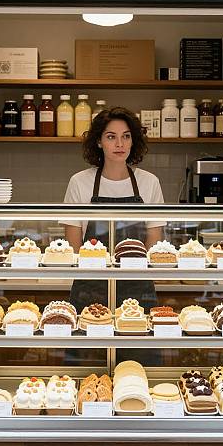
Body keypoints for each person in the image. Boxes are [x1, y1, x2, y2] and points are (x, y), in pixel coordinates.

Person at [61, 106, 166, 312]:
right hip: (90, 286)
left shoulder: (149, 182)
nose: (120, 144)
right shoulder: (80, 182)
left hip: (137, 285)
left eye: (126, 136)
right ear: (99, 142)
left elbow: (153, 240)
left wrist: (132, 268)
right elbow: (73, 245)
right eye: (111, 137)